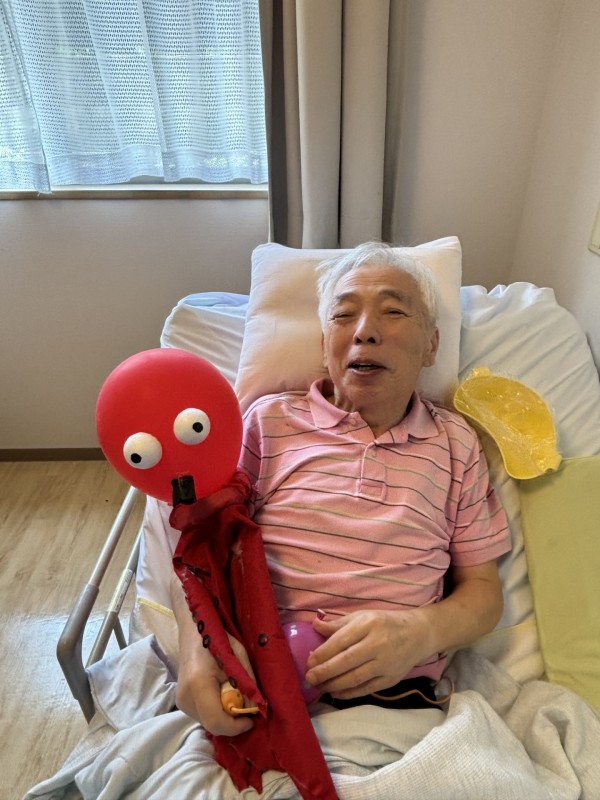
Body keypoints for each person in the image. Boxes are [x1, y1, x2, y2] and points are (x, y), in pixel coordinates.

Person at [171, 241, 511, 738]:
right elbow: (196, 553)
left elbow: (484, 593)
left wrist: (421, 632)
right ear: (324, 342)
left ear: (432, 346)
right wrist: (198, 649)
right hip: (257, 698)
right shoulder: (265, 424)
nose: (365, 331)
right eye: (343, 315)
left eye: (393, 311)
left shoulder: (456, 444)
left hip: (401, 709)